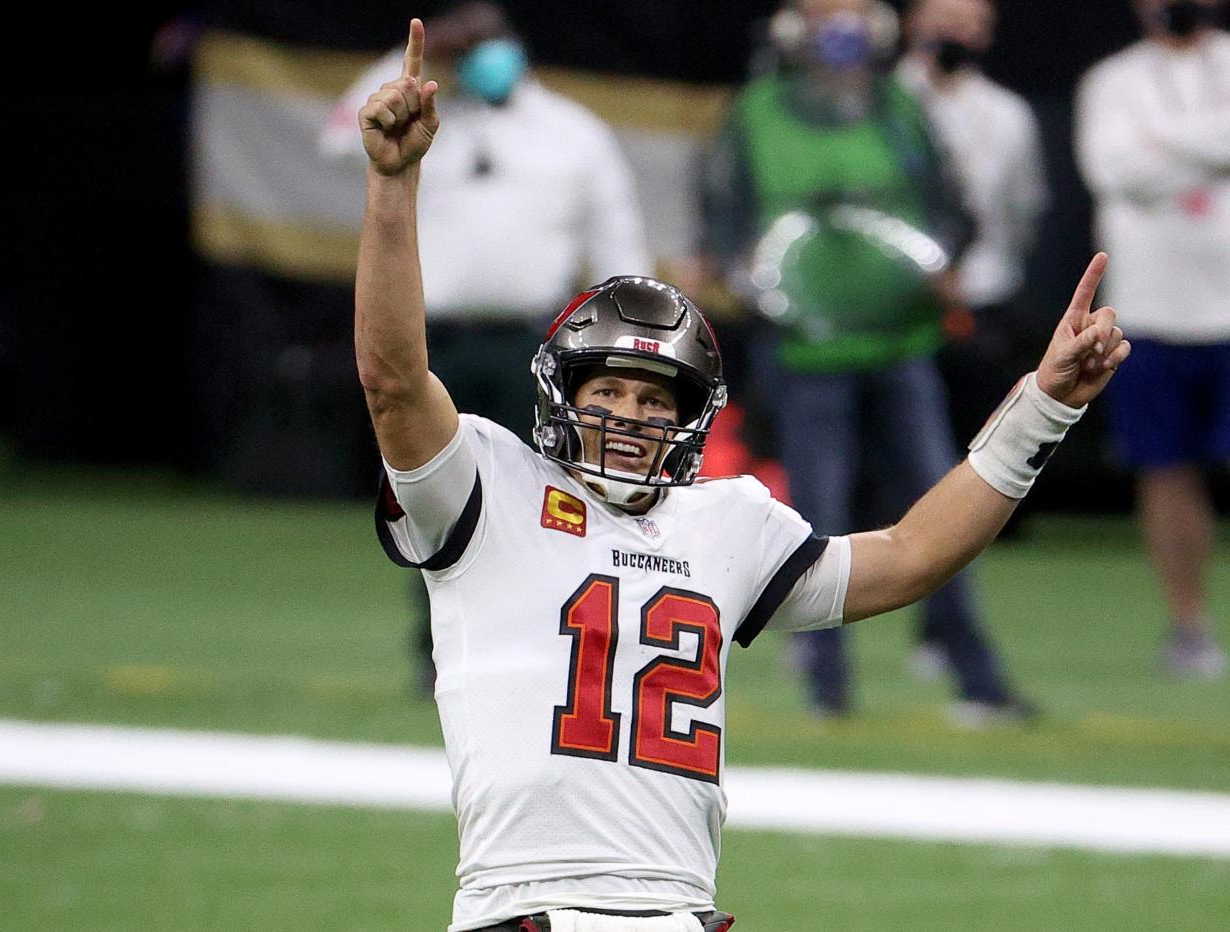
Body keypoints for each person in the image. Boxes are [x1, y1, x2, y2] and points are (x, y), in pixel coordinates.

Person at [356, 19, 1128, 931]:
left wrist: (1045, 405)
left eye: (658, 402)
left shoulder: (726, 521)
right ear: (563, 392)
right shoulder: (487, 487)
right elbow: (395, 379)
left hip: (686, 912)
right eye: (612, 390)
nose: (633, 419)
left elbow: (913, 555)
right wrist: (394, 185)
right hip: (529, 906)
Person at [700, 0, 1031, 723]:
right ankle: (826, 689)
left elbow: (952, 207)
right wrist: (743, 275)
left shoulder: (897, 107)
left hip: (900, 343)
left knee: (947, 509)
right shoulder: (755, 112)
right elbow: (722, 217)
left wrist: (947, 261)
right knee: (814, 521)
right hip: (805, 350)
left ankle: (975, 676)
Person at [325, 1, 651, 689]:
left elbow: (617, 243)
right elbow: (339, 137)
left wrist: (622, 347)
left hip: (534, 346)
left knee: (548, 504)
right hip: (430, 346)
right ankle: (438, 652)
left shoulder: (570, 131)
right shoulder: (424, 117)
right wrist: (417, 58)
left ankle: (544, 647)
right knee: (432, 502)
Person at [1075, 0, 1229, 679]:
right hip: (1149, 308)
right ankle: (1189, 626)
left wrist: (1160, 143)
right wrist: (1213, 149)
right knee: (1165, 471)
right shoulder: (1112, 81)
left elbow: (1141, 161)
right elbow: (1112, 170)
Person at [897, 0, 1049, 677]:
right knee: (889, 469)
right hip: (893, 310)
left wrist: (973, 277)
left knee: (971, 467)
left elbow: (1022, 208)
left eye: (971, 22)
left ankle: (944, 625)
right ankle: (825, 627)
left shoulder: (1007, 114)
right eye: (944, 18)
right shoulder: (884, 100)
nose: (957, 35)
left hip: (979, 303)